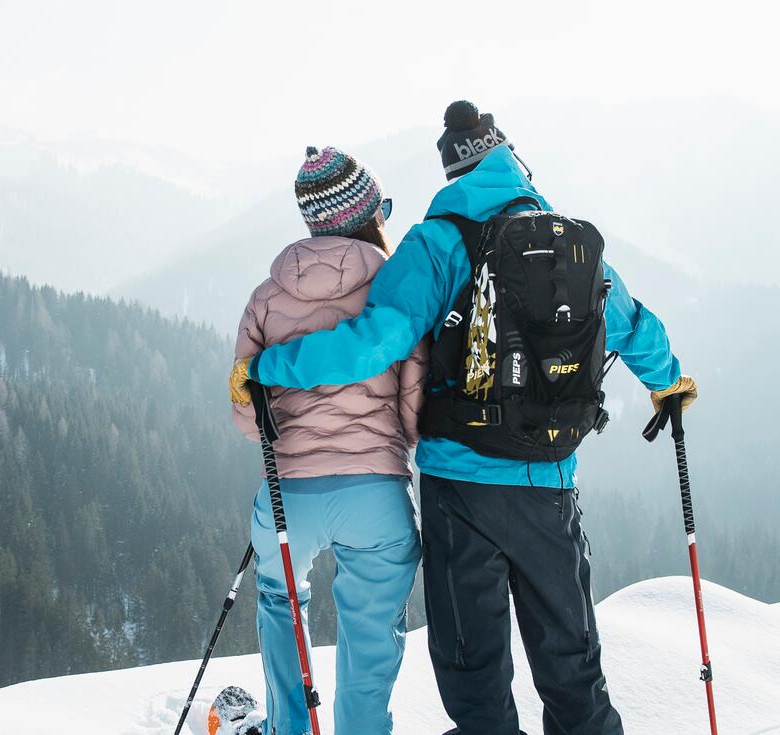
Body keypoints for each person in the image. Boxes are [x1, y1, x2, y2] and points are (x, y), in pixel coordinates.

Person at [229, 102, 698, 735]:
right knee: (571, 666)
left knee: (474, 679)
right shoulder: (561, 244)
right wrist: (669, 382)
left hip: (460, 488)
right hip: (548, 484)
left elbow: (378, 339)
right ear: (508, 157)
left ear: (453, 172)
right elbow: (629, 320)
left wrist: (272, 368)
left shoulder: (436, 242)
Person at [229, 146, 426, 735]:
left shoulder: (267, 296)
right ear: (368, 214)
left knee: (280, 601)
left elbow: (247, 414)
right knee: (369, 632)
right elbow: (415, 409)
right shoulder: (393, 290)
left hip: (290, 493)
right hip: (376, 495)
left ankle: (289, 726)